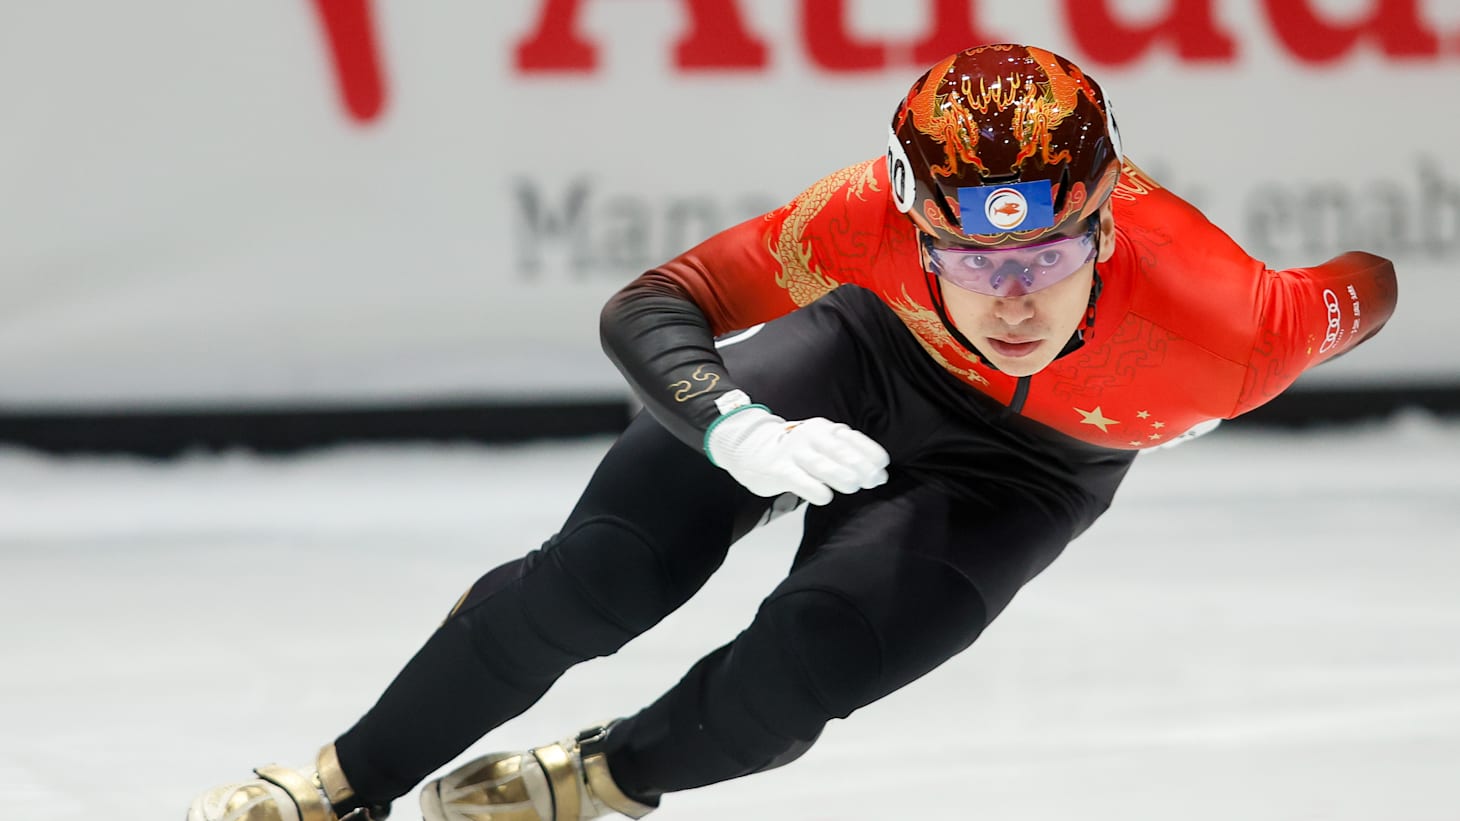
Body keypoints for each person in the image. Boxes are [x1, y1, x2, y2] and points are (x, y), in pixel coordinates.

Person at [188, 43, 1397, 821]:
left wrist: (1223, 377)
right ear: (913, 227)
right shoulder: (860, 218)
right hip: (868, 359)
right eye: (968, 256)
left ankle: (600, 776)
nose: (1010, 299)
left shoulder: (1232, 323)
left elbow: (1367, 284)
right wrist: (732, 427)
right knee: (600, 577)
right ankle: (338, 781)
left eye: (1045, 254)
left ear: (1106, 225)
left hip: (1028, 470)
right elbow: (656, 303)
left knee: (798, 676)